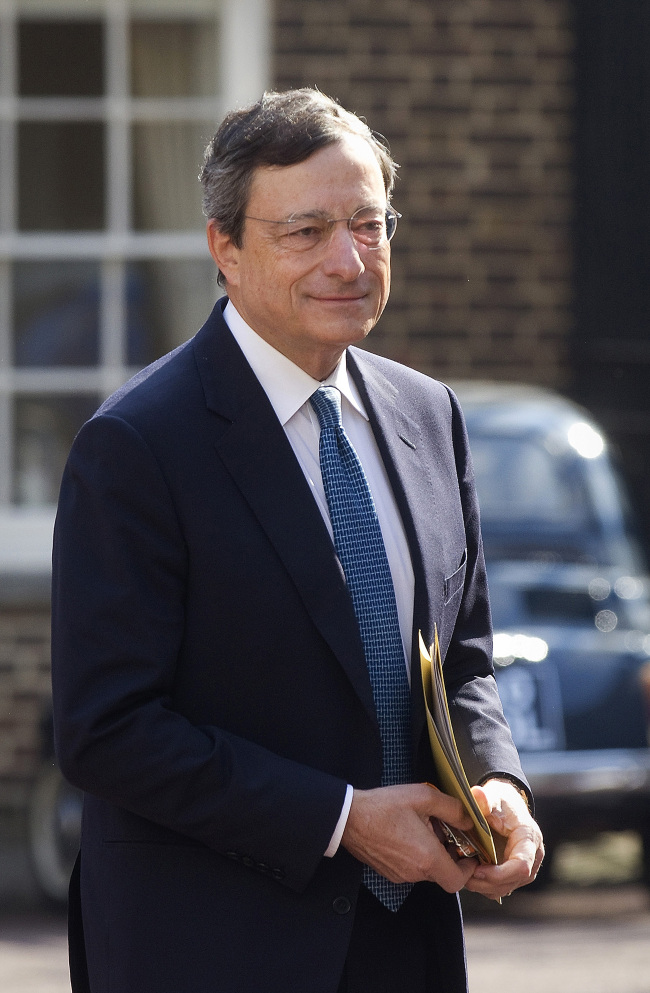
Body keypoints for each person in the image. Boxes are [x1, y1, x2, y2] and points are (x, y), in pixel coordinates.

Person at [51, 88, 544, 993]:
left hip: (412, 940)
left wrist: (497, 783)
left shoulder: (427, 415)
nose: (348, 260)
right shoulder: (137, 446)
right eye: (306, 231)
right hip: (213, 949)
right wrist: (345, 818)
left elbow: (461, 662)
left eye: (368, 222)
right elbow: (107, 731)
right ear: (224, 248)